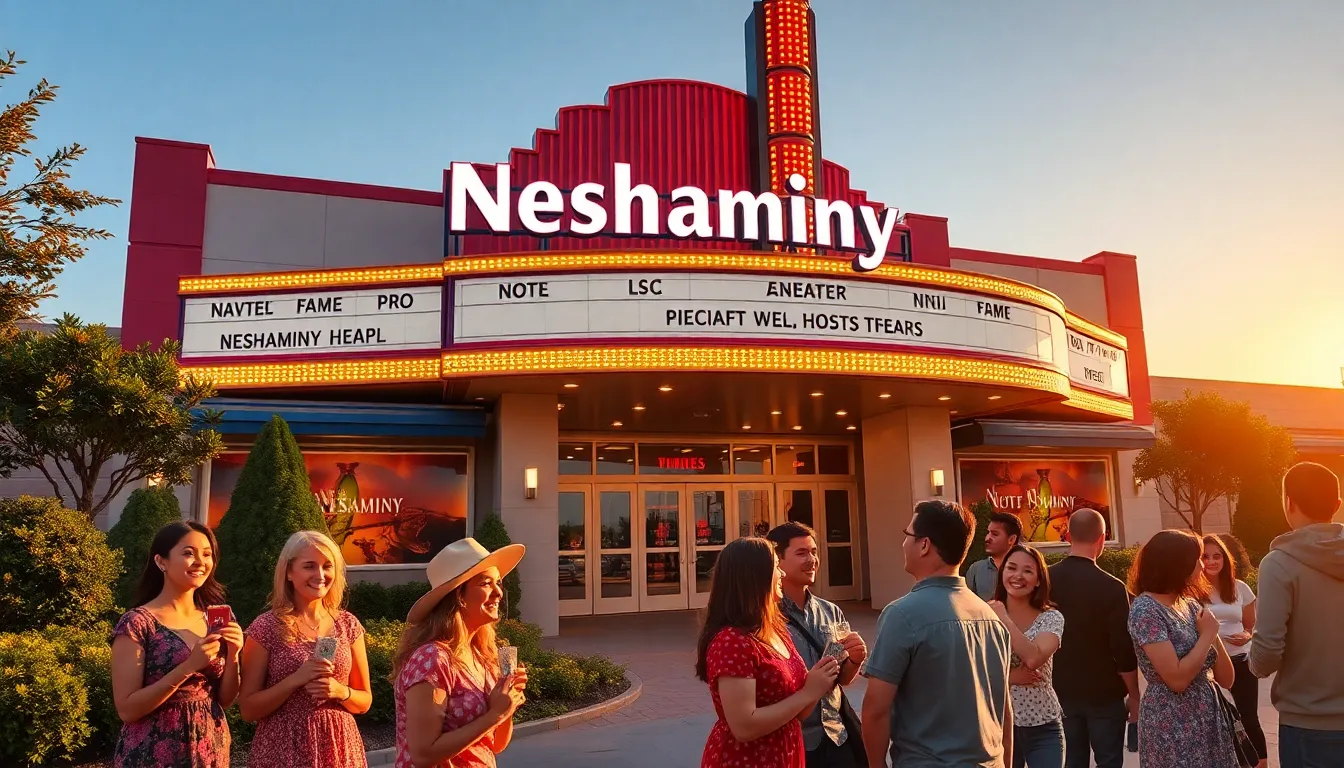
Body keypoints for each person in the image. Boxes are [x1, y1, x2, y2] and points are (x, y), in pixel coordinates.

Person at [861, 500, 1013, 768]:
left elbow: (876, 709)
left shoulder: (902, 615)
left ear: (924, 545)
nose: (904, 543)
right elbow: (1003, 711)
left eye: (907, 535)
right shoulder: (990, 616)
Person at [696, 536, 841, 768]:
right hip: (746, 760)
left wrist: (819, 683)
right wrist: (808, 692)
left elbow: (798, 713)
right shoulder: (732, 641)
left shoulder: (776, 631)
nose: (782, 574)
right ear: (755, 577)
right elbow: (744, 727)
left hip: (786, 754)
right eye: (775, 566)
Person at [109, 521, 243, 768]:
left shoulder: (217, 618)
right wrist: (189, 666)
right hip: (152, 751)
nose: (200, 562)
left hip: (209, 746)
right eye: (188, 553)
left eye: (207, 554)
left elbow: (224, 699)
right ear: (161, 562)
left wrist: (234, 654)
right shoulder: (138, 623)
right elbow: (127, 709)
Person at [391, 538, 529, 768]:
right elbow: (423, 755)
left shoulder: (483, 654)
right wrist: (494, 714)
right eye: (486, 583)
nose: (498, 593)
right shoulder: (432, 659)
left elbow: (495, 745)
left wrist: (508, 705)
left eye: (498, 583)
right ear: (459, 596)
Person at [238, 530, 372, 767]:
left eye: (327, 566)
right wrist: (294, 680)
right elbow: (248, 709)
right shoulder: (266, 627)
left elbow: (364, 700)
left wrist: (341, 692)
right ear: (289, 572)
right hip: (282, 749)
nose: (320, 575)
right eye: (309, 566)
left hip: (338, 746)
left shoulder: (348, 625)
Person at [1249, 461, 1344, 767]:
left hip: (1308, 722)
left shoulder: (1279, 563)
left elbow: (1266, 655)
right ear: (1338, 505)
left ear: (1288, 503)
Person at [1127, 530, 1237, 768]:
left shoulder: (1189, 604)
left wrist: (1211, 634)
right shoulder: (1146, 609)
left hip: (1208, 715)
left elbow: (1227, 679)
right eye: (1197, 559)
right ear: (1177, 564)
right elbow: (1176, 679)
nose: (1202, 566)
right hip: (1171, 721)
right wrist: (1207, 634)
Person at [766, 521, 868, 768]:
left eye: (813, 551)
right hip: (795, 742)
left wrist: (855, 660)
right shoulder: (765, 619)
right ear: (777, 561)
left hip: (837, 736)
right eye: (801, 553)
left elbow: (841, 680)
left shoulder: (830, 612)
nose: (812, 559)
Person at [1048, 508, 1139, 768]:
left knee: (1071, 761)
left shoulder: (1047, 580)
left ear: (1067, 536)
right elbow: (1123, 648)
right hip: (1105, 692)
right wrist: (1133, 694)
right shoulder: (1112, 586)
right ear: (1102, 538)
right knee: (1109, 761)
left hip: (1059, 688)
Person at [988, 545, 1065, 768]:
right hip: (997, 727)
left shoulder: (1051, 618)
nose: (1018, 576)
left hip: (1043, 727)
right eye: (1011, 568)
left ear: (1039, 580)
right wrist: (1010, 677)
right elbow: (971, 671)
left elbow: (1034, 658)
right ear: (1002, 573)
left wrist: (1003, 618)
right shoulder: (983, 615)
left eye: (1028, 571)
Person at [1201, 533, 1266, 768]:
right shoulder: (1192, 591)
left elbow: (1251, 626)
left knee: (1249, 718)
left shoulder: (1240, 588)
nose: (1211, 561)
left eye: (1216, 556)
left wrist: (1246, 636)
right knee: (1214, 723)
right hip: (1206, 667)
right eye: (1205, 557)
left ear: (1225, 559)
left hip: (1240, 660)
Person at [966, 511, 1024, 601]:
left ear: (1012, 539)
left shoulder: (1025, 570)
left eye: (995, 534)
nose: (987, 538)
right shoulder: (976, 569)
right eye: (988, 533)